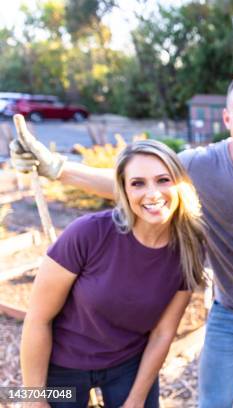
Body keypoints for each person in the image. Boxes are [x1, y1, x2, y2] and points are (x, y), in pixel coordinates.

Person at [11, 73, 233, 408]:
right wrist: (58, 168)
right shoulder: (197, 167)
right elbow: (135, 177)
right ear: (227, 118)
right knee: (213, 400)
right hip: (226, 310)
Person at [20, 140, 206, 408]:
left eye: (163, 180)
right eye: (138, 183)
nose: (152, 193)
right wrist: (32, 398)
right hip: (65, 363)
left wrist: (136, 400)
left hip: (127, 363)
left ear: (181, 184)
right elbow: (37, 318)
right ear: (123, 191)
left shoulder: (189, 248)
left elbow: (163, 334)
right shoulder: (88, 233)